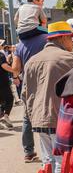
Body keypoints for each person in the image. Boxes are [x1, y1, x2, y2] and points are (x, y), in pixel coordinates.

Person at [22, 21, 73, 173]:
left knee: (48, 160)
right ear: (63, 38)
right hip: (60, 118)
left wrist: (32, 115)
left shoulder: (32, 61)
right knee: (60, 162)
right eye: (71, 37)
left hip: (39, 119)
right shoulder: (71, 60)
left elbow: (25, 94)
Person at [12, 32, 48, 163]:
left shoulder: (20, 45)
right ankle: (51, 150)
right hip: (46, 82)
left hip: (28, 86)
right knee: (50, 113)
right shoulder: (46, 38)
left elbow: (15, 68)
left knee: (27, 118)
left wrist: (16, 77)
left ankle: (29, 152)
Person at [0, 46, 15, 130]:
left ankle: (3, 117)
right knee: (9, 99)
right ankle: (5, 116)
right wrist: (14, 70)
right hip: (2, 82)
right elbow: (4, 66)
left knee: (2, 101)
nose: (2, 46)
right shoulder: (1, 55)